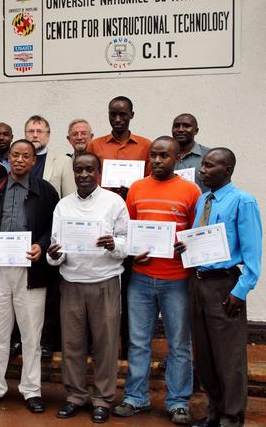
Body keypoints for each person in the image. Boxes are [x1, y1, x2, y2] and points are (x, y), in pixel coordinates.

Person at [113, 137, 201, 425]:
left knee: (179, 344)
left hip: (177, 280)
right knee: (138, 342)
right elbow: (128, 231)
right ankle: (135, 397)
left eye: (164, 156)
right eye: (154, 155)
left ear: (177, 158)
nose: (158, 160)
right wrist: (132, 253)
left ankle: (178, 402)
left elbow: (197, 233)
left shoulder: (191, 191)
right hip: (141, 279)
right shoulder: (137, 188)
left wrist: (186, 244)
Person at [0, 140, 60, 414]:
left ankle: (31, 390)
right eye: (15, 155)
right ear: (7, 158)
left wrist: (41, 246)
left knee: (31, 334)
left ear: (34, 161)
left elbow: (54, 228)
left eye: (26, 156)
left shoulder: (46, 191)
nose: (20, 159)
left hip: (30, 270)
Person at [175, 148, 262, 427]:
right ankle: (214, 412)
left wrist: (240, 291)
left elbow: (253, 255)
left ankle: (231, 417)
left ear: (228, 170)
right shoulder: (203, 200)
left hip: (225, 286)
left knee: (228, 357)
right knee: (204, 355)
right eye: (203, 165)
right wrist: (185, 247)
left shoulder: (243, 201)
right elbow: (200, 239)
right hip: (198, 282)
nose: (202, 170)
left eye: (210, 166)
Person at [47, 153, 128, 424]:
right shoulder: (63, 205)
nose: (83, 175)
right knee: (72, 344)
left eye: (89, 170)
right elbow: (55, 247)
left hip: (104, 282)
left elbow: (127, 242)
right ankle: (75, 396)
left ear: (98, 172)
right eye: (79, 170)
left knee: (106, 344)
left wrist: (114, 244)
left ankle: (103, 399)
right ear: (73, 172)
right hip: (71, 283)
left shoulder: (114, 202)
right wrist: (54, 254)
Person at [86, 96, 152, 360]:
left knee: (130, 286)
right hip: (103, 219)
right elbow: (88, 175)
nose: (117, 119)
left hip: (133, 219)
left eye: (123, 114)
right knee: (102, 281)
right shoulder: (96, 145)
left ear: (131, 115)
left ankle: (128, 344)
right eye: (113, 114)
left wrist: (132, 189)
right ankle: (98, 343)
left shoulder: (145, 145)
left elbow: (150, 180)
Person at [24, 115, 75, 360]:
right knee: (24, 292)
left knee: (50, 292)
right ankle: (23, 339)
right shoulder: (19, 159)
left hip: (50, 235)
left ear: (48, 135)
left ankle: (47, 341)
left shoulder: (62, 161)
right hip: (23, 236)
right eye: (30, 131)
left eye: (39, 131)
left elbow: (70, 198)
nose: (35, 135)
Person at [172, 113, 210, 193]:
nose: (180, 129)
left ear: (196, 131)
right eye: (176, 126)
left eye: (186, 126)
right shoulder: (163, 156)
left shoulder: (209, 155)